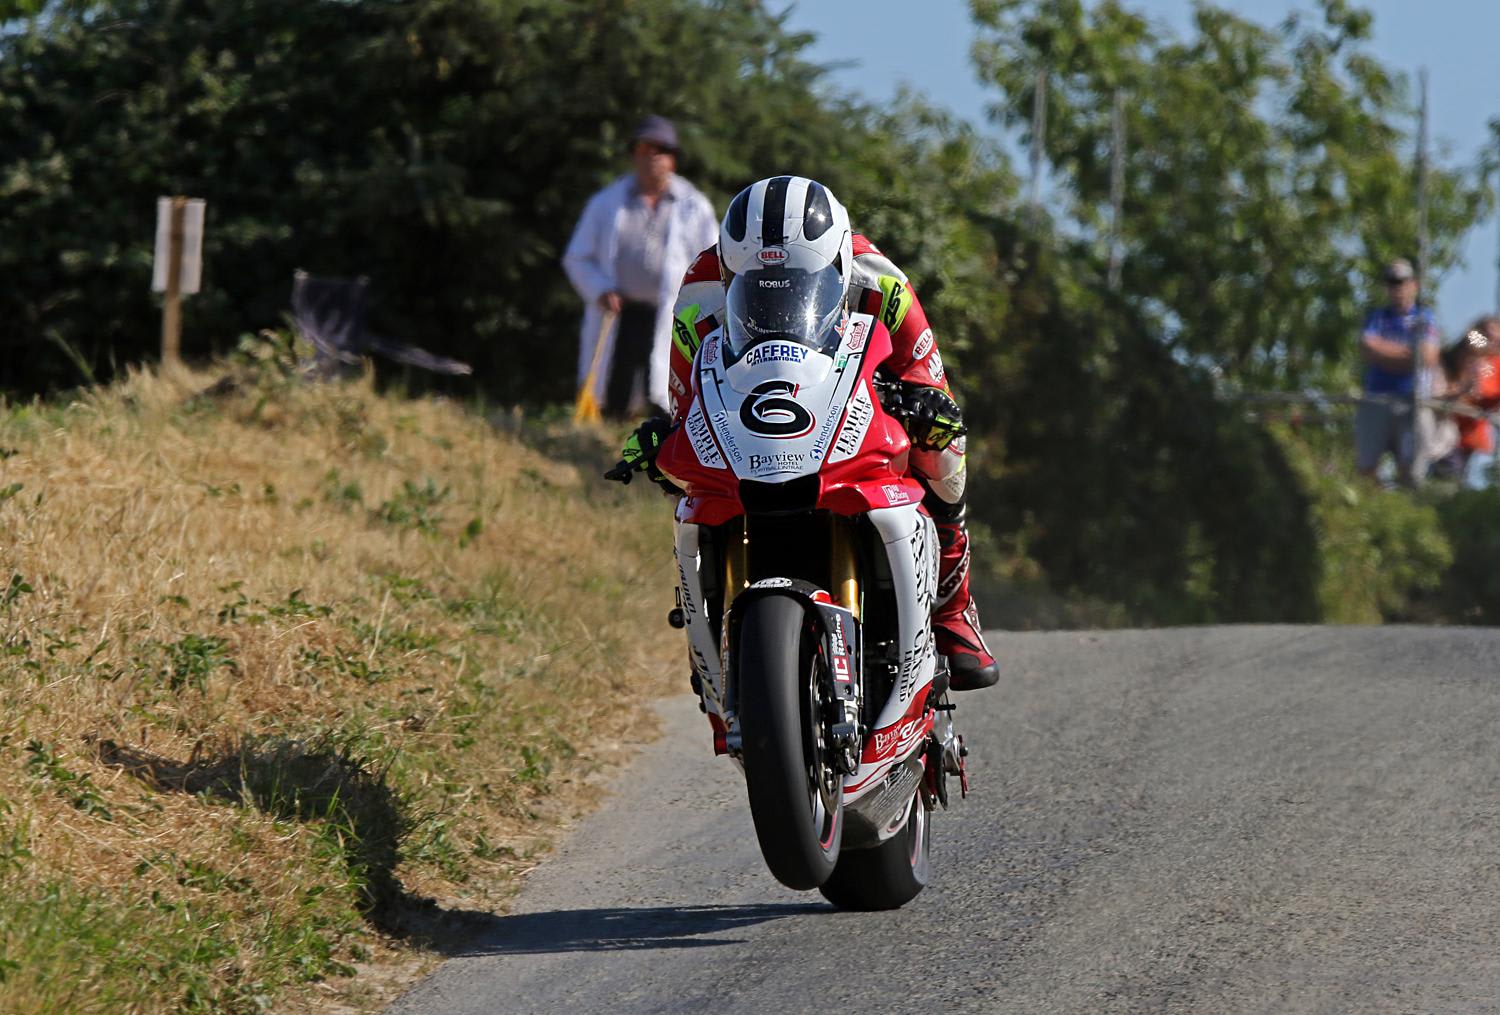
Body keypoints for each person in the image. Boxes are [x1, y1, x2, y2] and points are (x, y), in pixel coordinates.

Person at [612, 175, 998, 690]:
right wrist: (666, 442)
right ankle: (711, 631)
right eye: (752, 283)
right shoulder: (699, 291)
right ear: (729, 269)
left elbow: (926, 376)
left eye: (800, 280)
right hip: (758, 420)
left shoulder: (882, 282)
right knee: (688, 477)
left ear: (838, 262)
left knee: (945, 447)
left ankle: (954, 610)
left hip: (850, 403)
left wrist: (923, 405)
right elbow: (687, 402)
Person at [563, 116, 717, 417]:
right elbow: (577, 256)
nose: (652, 156)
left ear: (673, 159)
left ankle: (663, 436)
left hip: (673, 313)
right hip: (619, 308)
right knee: (615, 383)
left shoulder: (694, 207)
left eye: (661, 149)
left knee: (666, 381)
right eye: (645, 148)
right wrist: (599, 289)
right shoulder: (606, 203)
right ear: (634, 153)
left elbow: (714, 263)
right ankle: (611, 427)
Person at [1355, 258, 1440, 485]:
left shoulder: (1426, 317)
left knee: (1414, 466)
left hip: (1417, 401)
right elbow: (1367, 347)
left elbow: (1428, 356)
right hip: (1378, 396)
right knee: (1368, 463)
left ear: (1414, 284)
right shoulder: (1377, 317)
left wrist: (1386, 353)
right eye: (1392, 283)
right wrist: (1408, 355)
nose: (1397, 288)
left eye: (1402, 282)